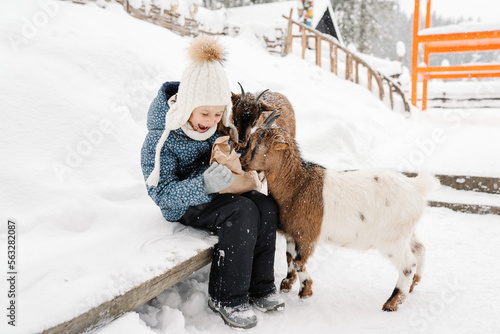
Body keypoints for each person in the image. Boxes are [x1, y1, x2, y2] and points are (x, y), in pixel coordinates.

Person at [140, 36, 284, 329]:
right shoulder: (162, 138)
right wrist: (202, 185)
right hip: (184, 204)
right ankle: (227, 298)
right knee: (242, 212)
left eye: (218, 114)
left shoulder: (214, 125)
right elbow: (162, 194)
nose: (211, 119)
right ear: (187, 105)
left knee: (265, 206)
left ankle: (260, 285)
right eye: (205, 113)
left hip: (217, 193)